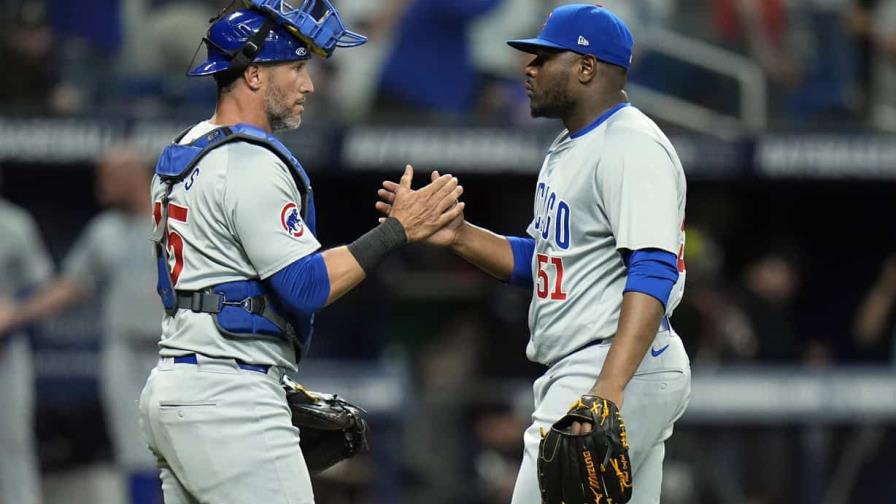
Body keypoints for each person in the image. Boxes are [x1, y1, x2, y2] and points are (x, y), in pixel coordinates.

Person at [136, 1, 464, 503]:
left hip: (179, 385)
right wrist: (396, 230)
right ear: (252, 75)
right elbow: (306, 286)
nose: (308, 84)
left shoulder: (186, 147)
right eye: (295, 67)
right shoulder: (248, 161)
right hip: (227, 396)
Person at [378, 5, 690, 502]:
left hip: (612, 365)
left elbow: (653, 269)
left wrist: (608, 390)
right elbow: (547, 264)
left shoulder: (630, 145)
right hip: (602, 365)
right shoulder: (571, 147)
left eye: (545, 58)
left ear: (586, 68)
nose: (529, 67)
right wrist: (457, 234)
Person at [0, 144, 164, 504]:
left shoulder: (178, 219)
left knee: (189, 454)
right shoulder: (104, 232)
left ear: (133, 175)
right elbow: (68, 287)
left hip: (177, 352)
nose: (99, 184)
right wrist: (16, 313)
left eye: (107, 175)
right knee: (135, 454)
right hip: (125, 352)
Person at [0, 198, 52, 504]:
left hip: (5, 352)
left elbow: (39, 284)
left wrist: (13, 312)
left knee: (13, 445)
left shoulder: (13, 223)